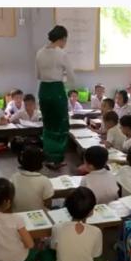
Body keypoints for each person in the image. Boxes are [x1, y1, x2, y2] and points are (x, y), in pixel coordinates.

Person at [48, 187, 113, 261]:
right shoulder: (96, 232)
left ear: (67, 208)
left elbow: (54, 247)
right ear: (91, 211)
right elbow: (95, 255)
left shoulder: (57, 228)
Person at [36, 25, 75, 170]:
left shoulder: (39, 52)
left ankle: (48, 157)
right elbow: (71, 76)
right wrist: (67, 83)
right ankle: (57, 159)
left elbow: (38, 75)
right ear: (62, 38)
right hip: (57, 90)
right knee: (60, 124)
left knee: (48, 124)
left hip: (44, 90)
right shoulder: (61, 54)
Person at [10, 146, 54, 212]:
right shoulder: (44, 181)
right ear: (41, 163)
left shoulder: (13, 177)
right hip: (39, 217)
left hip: (17, 215)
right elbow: (48, 204)